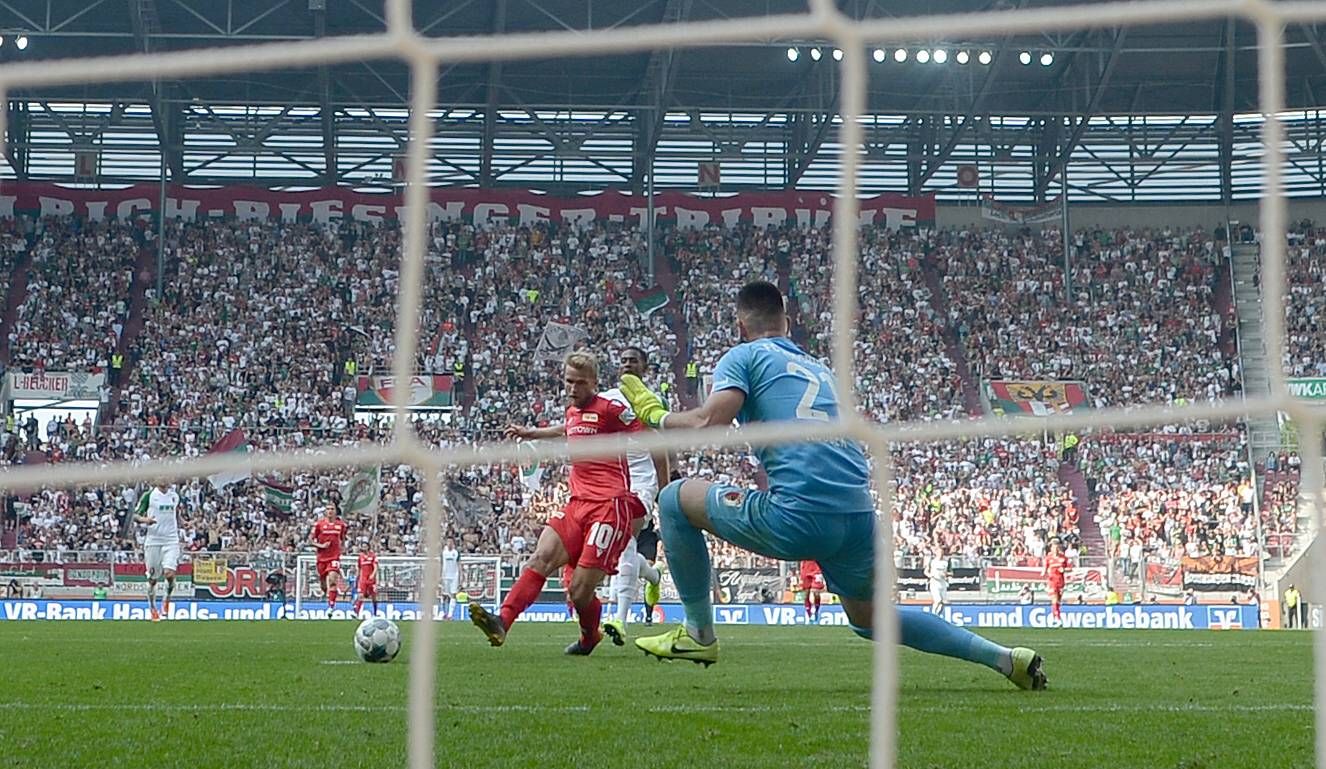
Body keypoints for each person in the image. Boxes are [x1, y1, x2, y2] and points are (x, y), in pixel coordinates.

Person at [617, 280, 1045, 689]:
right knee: (869, 619)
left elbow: (709, 421)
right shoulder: (819, 368)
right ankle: (1005, 658)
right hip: (858, 517)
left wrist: (654, 415)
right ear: (788, 323)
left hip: (800, 514)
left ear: (739, 327)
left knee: (673, 500)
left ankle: (698, 635)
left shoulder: (743, 355)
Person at [470, 350, 648, 656]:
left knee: (579, 593)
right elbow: (569, 429)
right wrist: (532, 433)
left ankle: (589, 637)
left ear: (594, 383)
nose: (572, 388)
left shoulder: (611, 408)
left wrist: (662, 472)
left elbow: (647, 430)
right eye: (568, 381)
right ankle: (502, 621)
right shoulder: (572, 412)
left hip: (609, 507)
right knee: (541, 557)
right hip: (577, 505)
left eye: (580, 383)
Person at [602, 346, 666, 644]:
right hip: (613, 477)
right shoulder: (607, 399)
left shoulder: (654, 402)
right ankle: (652, 577)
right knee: (620, 547)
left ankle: (619, 618)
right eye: (623, 360)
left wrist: (664, 490)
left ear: (645, 368)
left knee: (626, 538)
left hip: (642, 480)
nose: (627, 364)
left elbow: (663, 448)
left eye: (634, 361)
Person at [134, 482, 183, 622]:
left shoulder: (174, 496)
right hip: (153, 540)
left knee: (169, 573)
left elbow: (176, 514)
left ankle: (167, 599)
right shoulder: (149, 496)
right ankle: (152, 607)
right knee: (152, 579)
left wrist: (183, 522)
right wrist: (145, 520)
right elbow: (135, 516)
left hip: (171, 539)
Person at [311, 503, 348, 612]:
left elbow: (343, 539)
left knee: (332, 580)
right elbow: (311, 540)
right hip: (322, 558)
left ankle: (331, 606)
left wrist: (343, 549)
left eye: (332, 509)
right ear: (325, 512)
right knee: (323, 584)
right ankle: (325, 593)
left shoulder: (341, 525)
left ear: (336, 511)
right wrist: (321, 546)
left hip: (334, 557)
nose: (330, 511)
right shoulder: (319, 524)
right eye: (328, 509)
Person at [1043, 540, 1070, 624]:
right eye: (1054, 548)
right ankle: (1057, 618)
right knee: (1054, 599)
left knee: (1058, 601)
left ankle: (1055, 616)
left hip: (1061, 581)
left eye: (1057, 548)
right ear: (1051, 549)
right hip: (1052, 581)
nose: (1056, 550)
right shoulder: (1048, 558)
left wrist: (1064, 569)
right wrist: (1044, 574)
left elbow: (1070, 568)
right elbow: (1044, 569)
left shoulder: (1063, 558)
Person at [352, 540, 379, 617]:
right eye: (363, 546)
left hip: (371, 580)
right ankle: (356, 613)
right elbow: (359, 569)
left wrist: (373, 575)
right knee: (360, 596)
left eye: (365, 546)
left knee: (374, 597)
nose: (364, 548)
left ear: (368, 547)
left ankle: (375, 613)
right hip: (363, 580)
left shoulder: (373, 556)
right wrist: (357, 579)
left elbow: (376, 567)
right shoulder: (360, 557)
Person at [441, 538, 461, 620]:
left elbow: (459, 564)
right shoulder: (443, 553)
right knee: (444, 595)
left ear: (453, 543)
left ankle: (450, 615)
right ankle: (444, 613)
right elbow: (441, 564)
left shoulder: (456, 553)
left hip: (454, 576)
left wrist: (461, 575)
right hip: (445, 576)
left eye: (451, 542)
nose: (449, 543)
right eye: (448, 541)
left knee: (453, 594)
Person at [925, 548, 949, 615]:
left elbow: (950, 573)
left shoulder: (945, 562)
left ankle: (937, 615)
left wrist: (945, 574)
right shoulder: (932, 562)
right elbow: (926, 571)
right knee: (938, 600)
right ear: (936, 553)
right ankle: (933, 614)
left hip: (942, 583)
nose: (941, 554)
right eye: (939, 552)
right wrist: (930, 575)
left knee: (943, 602)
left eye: (942, 552)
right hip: (934, 583)